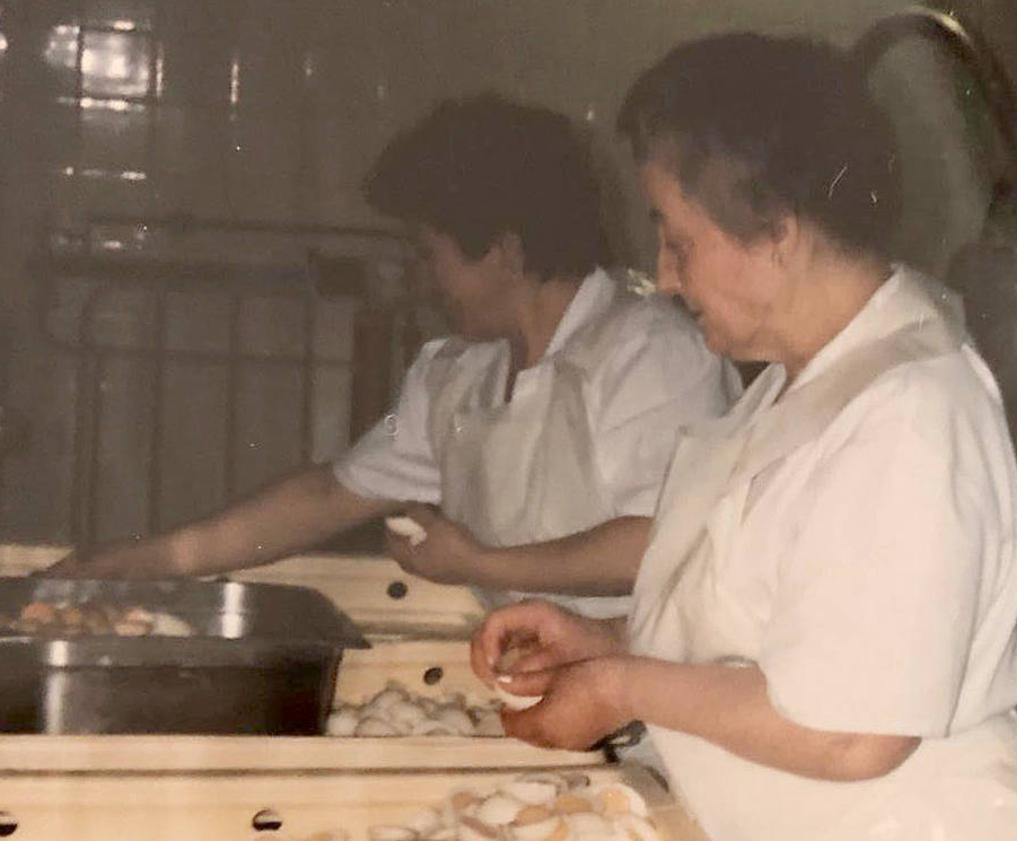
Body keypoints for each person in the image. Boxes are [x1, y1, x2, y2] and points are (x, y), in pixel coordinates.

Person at [469, 35, 1017, 841]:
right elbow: (771, 635)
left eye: (679, 242)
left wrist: (621, 685)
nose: (667, 275)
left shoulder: (911, 409)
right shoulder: (804, 383)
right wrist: (603, 642)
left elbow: (852, 730)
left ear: (777, 232)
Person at [46, 94, 739, 617]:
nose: (420, 279)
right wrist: (162, 559)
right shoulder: (460, 373)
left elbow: (660, 545)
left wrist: (481, 563)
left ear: (505, 249)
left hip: (649, 731)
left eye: (427, 253)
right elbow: (329, 494)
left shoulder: (653, 353)